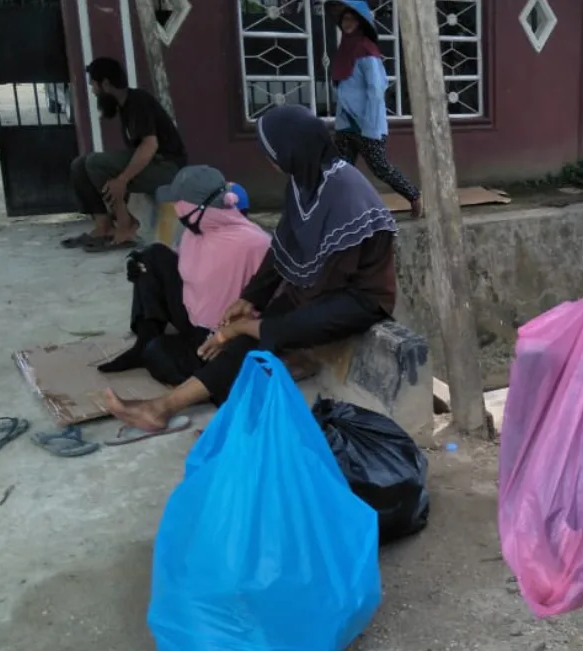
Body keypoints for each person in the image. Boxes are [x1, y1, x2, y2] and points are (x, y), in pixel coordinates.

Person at [102, 104, 398, 431]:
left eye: (272, 152)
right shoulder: (304, 181)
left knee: (260, 331)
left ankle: (177, 404)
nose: (269, 160)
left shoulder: (345, 194)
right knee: (245, 337)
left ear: (292, 150)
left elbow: (330, 281)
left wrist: (254, 325)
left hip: (357, 299)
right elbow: (283, 246)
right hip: (317, 285)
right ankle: (161, 409)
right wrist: (250, 298)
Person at [97, 165, 271, 386]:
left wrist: (230, 335)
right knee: (151, 256)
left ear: (200, 206)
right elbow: (181, 267)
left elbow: (270, 303)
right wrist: (141, 270)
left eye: (180, 202)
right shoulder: (195, 231)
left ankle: (211, 379)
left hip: (222, 332)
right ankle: (143, 342)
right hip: (192, 313)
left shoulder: (255, 243)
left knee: (159, 354)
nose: (176, 208)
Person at [65, 57, 188, 252]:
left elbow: (150, 144)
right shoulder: (124, 106)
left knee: (95, 163)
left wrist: (122, 179)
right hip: (154, 164)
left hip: (168, 166)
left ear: (106, 84)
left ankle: (126, 225)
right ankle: (104, 226)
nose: (93, 91)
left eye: (94, 85)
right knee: (79, 165)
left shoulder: (138, 101)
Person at [328, 0, 423, 218]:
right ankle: (342, 212)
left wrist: (370, 127)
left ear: (361, 23)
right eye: (344, 19)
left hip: (367, 124)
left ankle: (414, 195)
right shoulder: (344, 48)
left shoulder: (366, 50)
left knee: (380, 167)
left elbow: (376, 89)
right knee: (340, 170)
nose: (347, 23)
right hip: (346, 123)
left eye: (352, 19)